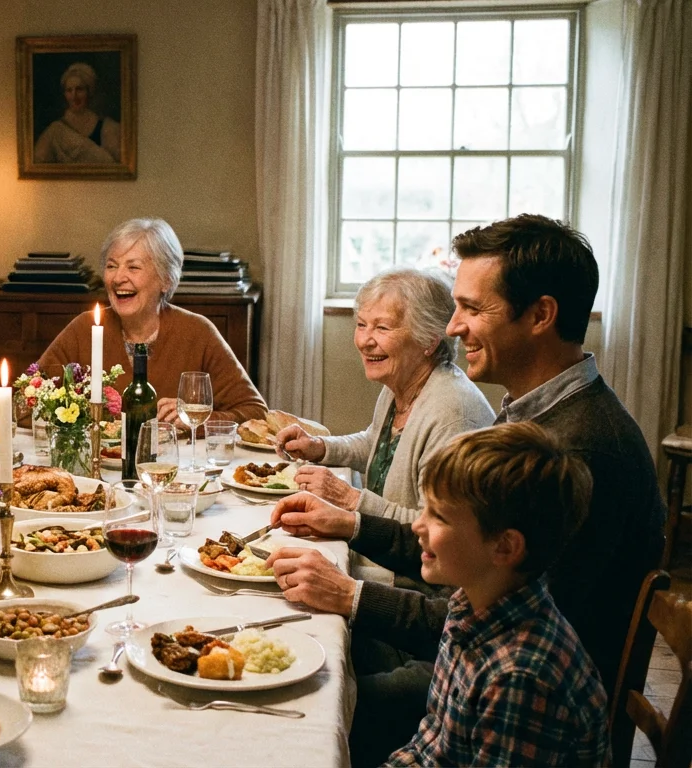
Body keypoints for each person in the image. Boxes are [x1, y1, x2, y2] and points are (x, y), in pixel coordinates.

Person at [265, 214, 664, 766]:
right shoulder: (533, 413)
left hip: (511, 708)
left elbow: (501, 619)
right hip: (467, 661)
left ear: (541, 315)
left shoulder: (582, 450)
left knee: (304, 699)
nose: (453, 328)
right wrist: (354, 525)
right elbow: (470, 549)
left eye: (473, 309)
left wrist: (352, 596)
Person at [386, 422, 608, 766]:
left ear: (505, 547)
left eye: (439, 516)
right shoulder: (469, 608)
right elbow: (429, 746)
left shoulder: (521, 680)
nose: (417, 525)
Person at [275, 268, 493, 522]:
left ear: (430, 341)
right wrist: (319, 447)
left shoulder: (453, 416)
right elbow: (376, 445)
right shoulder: (403, 382)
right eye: (361, 325)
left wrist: (351, 499)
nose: (365, 341)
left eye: (382, 328)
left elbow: (437, 529)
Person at [38, 217, 267, 424]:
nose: (118, 278)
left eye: (133, 267)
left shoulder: (197, 332)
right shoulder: (85, 328)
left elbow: (255, 411)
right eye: (111, 266)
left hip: (171, 466)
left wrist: (196, 418)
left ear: (166, 279)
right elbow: (25, 401)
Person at [32, 62, 121, 164]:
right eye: (69, 90)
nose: (74, 96)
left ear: (89, 91)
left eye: (79, 89)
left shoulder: (108, 128)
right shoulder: (55, 131)